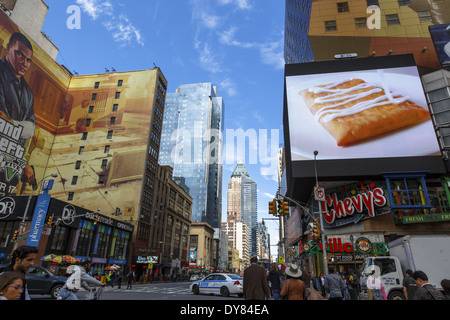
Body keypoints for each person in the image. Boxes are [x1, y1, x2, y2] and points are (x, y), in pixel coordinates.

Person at [0, 32, 36, 186]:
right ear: (8, 48)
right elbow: (3, 128)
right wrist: (23, 163)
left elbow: (30, 129)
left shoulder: (28, 92)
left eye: (28, 60)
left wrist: (12, 123)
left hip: (9, 167)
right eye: (20, 55)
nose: (25, 63)